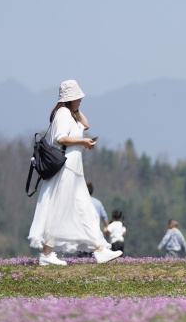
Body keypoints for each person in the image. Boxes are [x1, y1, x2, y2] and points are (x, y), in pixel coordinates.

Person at [27, 80, 123, 266]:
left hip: (75, 171)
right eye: (77, 98)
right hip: (66, 169)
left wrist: (76, 111)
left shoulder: (70, 114)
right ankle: (47, 254)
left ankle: (100, 249)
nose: (80, 100)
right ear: (70, 98)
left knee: (85, 209)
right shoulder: (62, 114)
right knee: (60, 210)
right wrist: (83, 142)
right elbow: (60, 138)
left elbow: (86, 125)